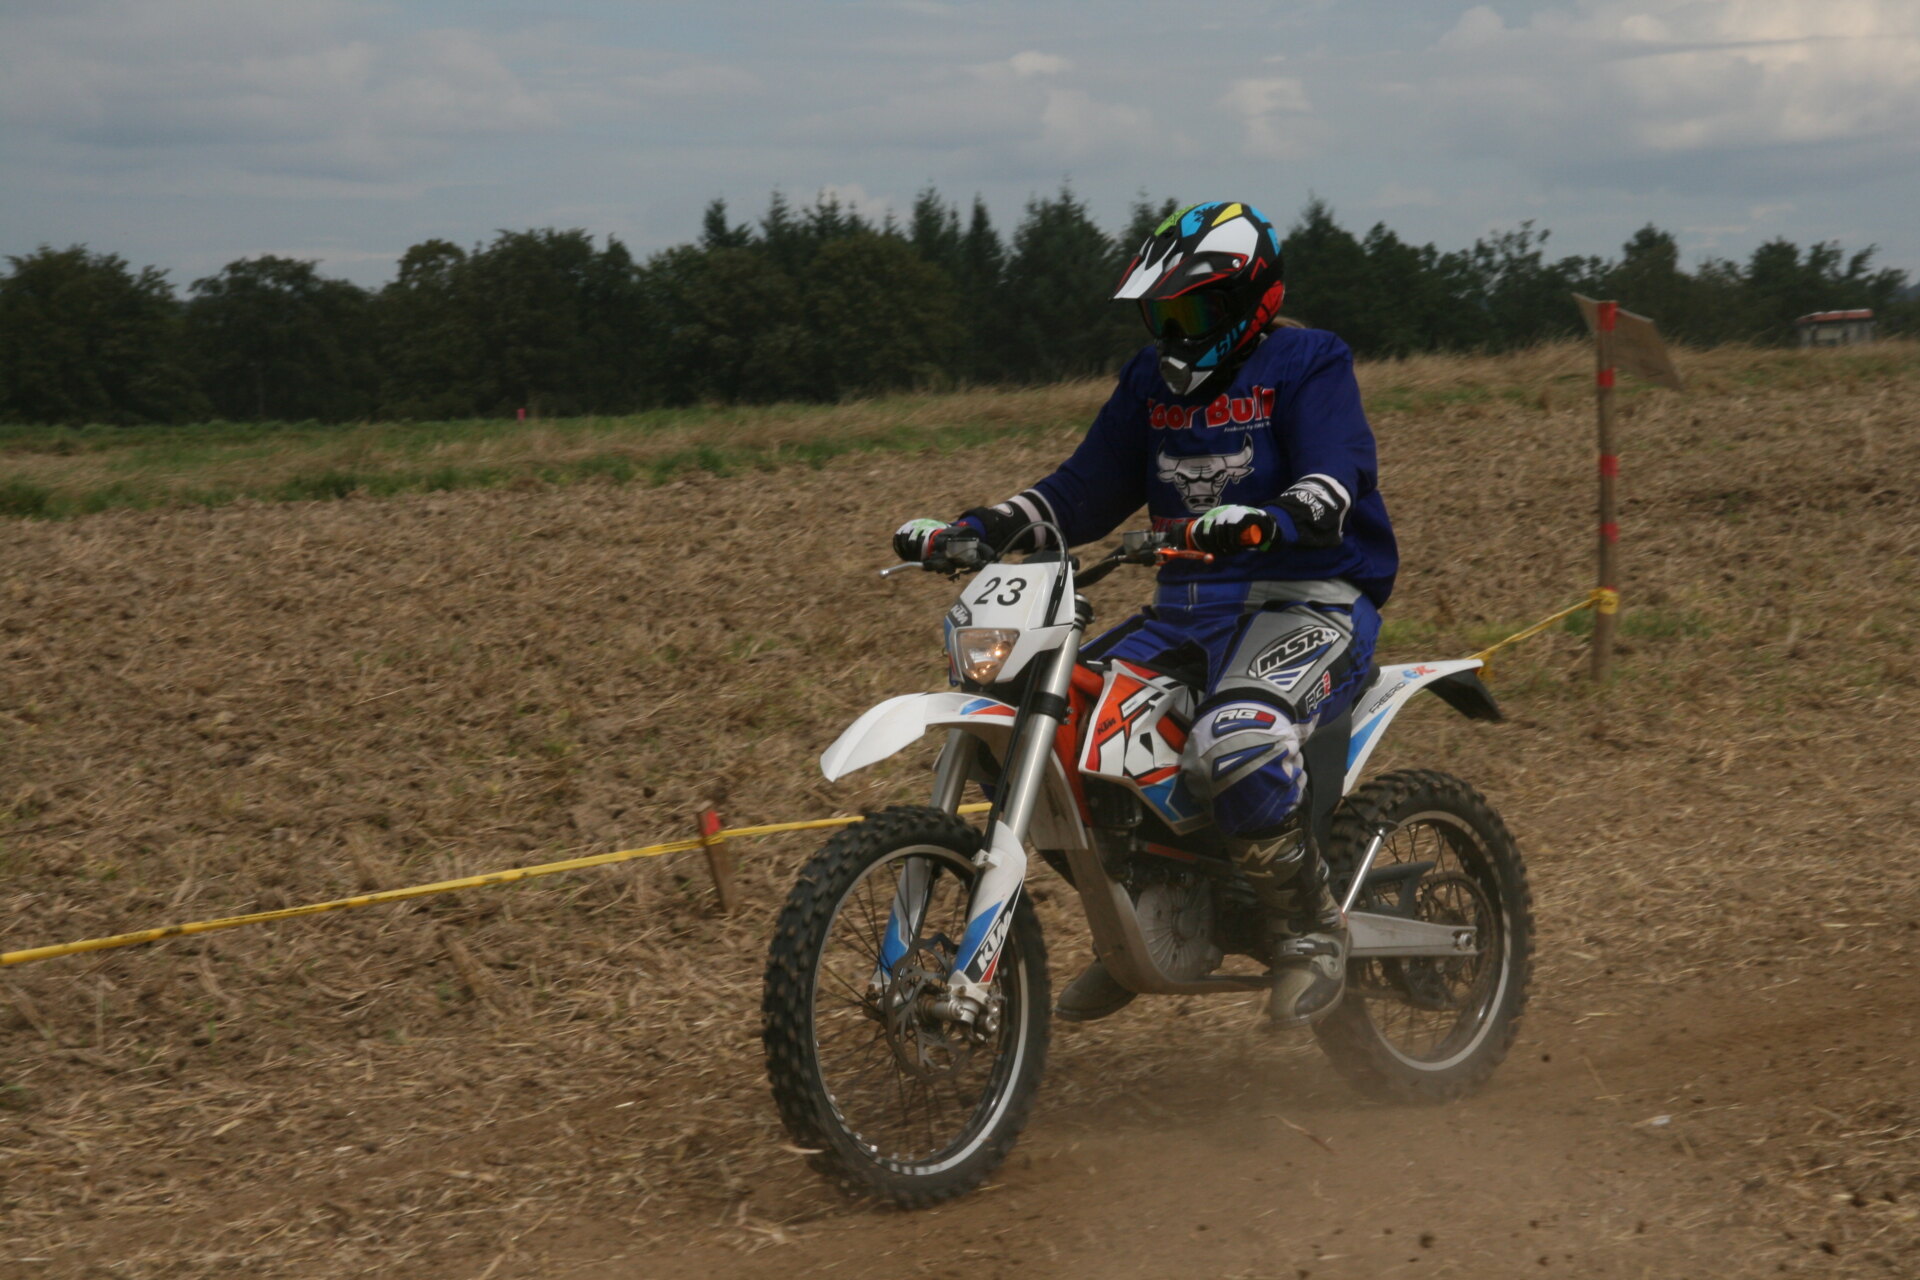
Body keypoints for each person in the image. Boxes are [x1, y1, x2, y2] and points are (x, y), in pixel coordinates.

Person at [892, 200, 1396, 1027]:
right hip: (1187, 612)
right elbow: (1081, 490)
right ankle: (1154, 917)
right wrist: (978, 527)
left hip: (1307, 600)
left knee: (1236, 739)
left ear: (1249, 301)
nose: (1173, 332)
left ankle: (1311, 928)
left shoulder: (1308, 362)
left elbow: (1337, 473)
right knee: (1035, 732)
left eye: (1189, 313)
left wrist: (1274, 514)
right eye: (1161, 315)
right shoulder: (1148, 384)